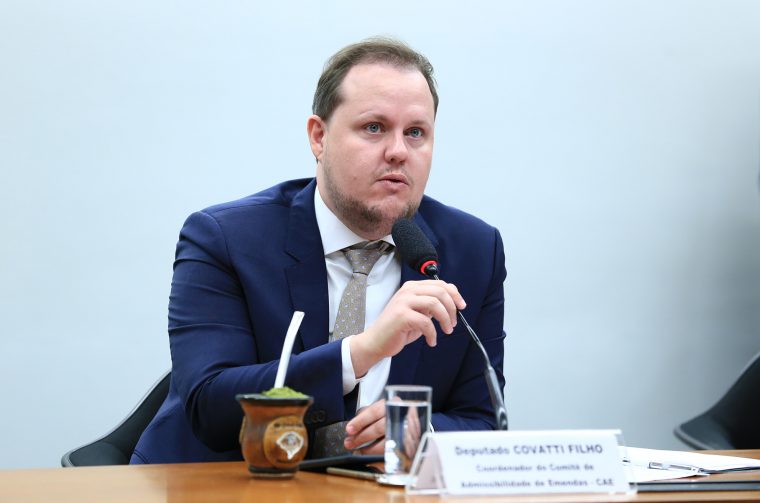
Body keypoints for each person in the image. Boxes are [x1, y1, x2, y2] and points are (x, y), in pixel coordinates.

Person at [131, 37, 506, 464]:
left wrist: (420, 430)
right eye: (374, 128)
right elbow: (210, 405)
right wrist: (361, 351)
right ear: (319, 136)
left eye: (415, 133)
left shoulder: (474, 251)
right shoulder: (226, 238)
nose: (398, 152)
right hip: (219, 483)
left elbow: (485, 420)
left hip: (371, 489)